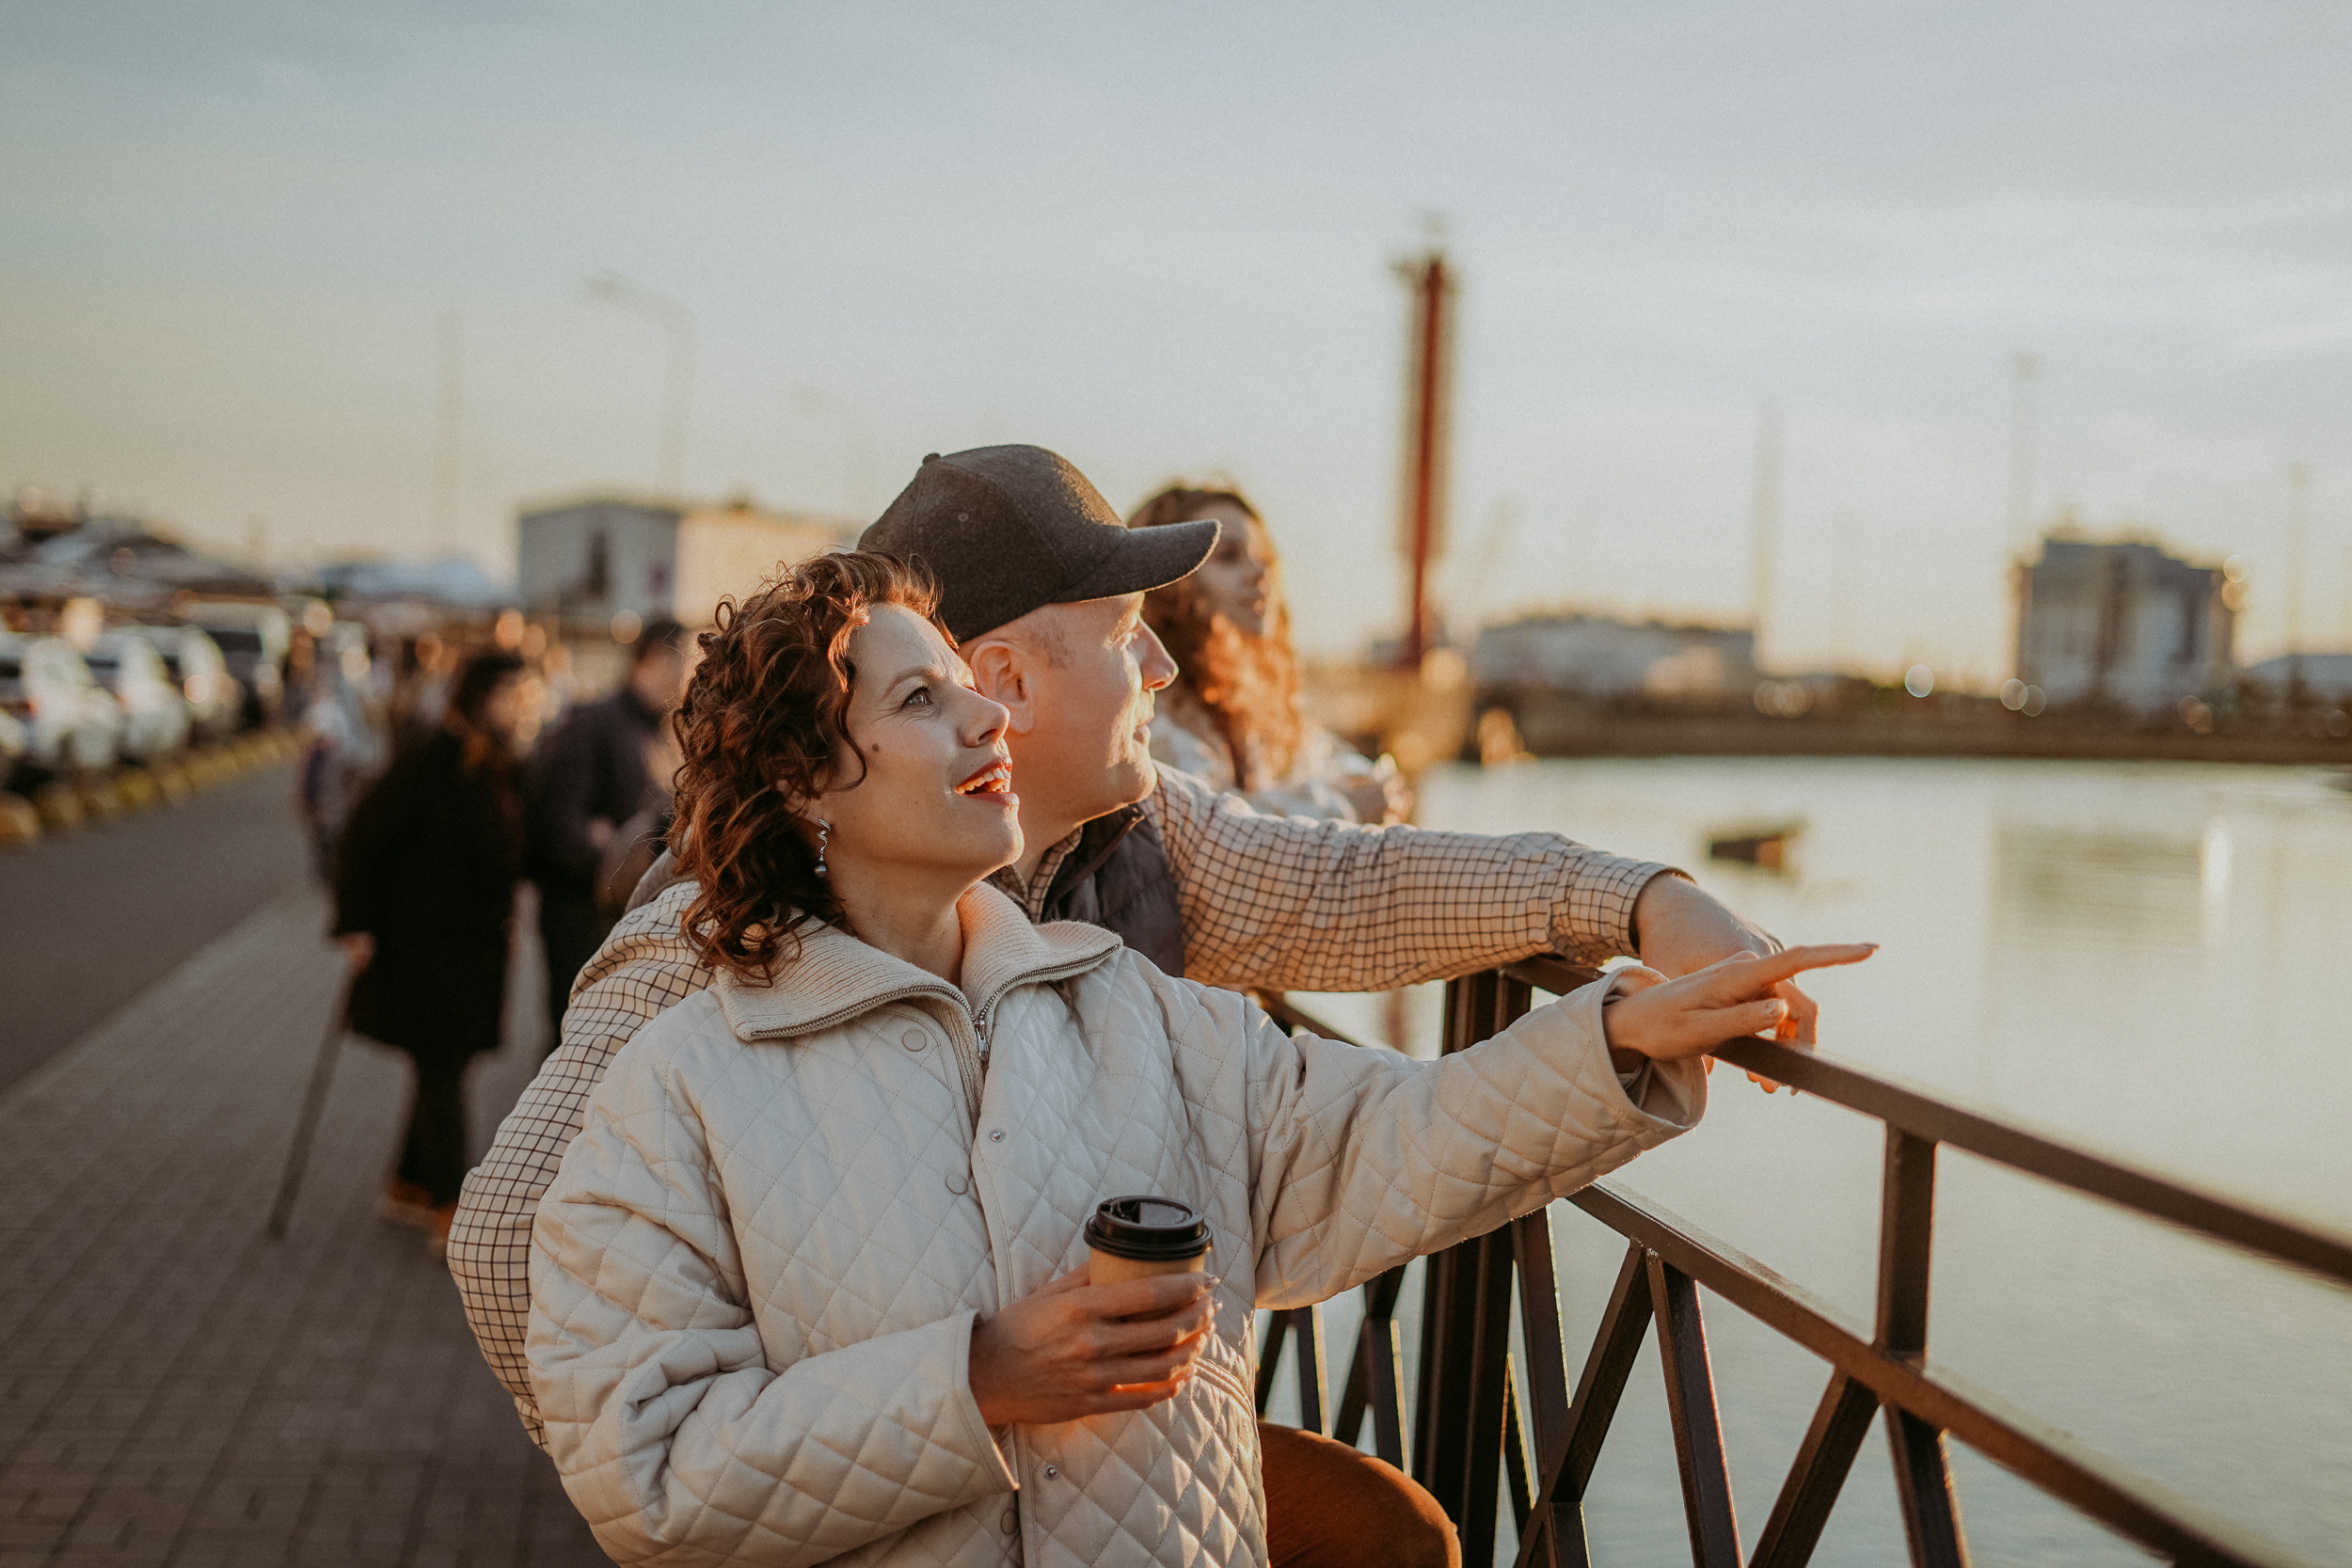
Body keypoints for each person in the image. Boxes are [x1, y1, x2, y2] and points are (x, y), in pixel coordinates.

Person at [452, 445, 1820, 1564]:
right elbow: (518, 1251)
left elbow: (1358, 898)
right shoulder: (716, 948)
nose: (1162, 674)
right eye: (1126, 634)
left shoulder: (1131, 855)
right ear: (1004, 676)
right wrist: (828, 1461)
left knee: (1400, 1533)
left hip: (1125, 1487)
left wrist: (1636, 914)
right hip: (895, 1495)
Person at [334, 650, 529, 1245]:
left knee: (443, 1065)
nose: (523, 706)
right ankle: (448, 1204)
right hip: (426, 950)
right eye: (513, 695)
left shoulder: (496, 764)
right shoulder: (427, 762)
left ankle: (409, 1183)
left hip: (469, 951)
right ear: (482, 697)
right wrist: (356, 925)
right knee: (443, 1067)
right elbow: (362, 840)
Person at [1128, 483, 1406, 825]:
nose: (1259, 574)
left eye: (1265, 559)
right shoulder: (1142, 703)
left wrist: (1367, 783)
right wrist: (1343, 808)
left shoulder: (1258, 700)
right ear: (1168, 579)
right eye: (1229, 556)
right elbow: (1202, 830)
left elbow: (1327, 757)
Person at [524, 617, 691, 1037]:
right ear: (655, 659)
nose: (691, 675)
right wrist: (618, 850)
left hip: (628, 915)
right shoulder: (593, 722)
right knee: (574, 1036)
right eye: (686, 662)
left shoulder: (666, 732)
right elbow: (561, 825)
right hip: (579, 915)